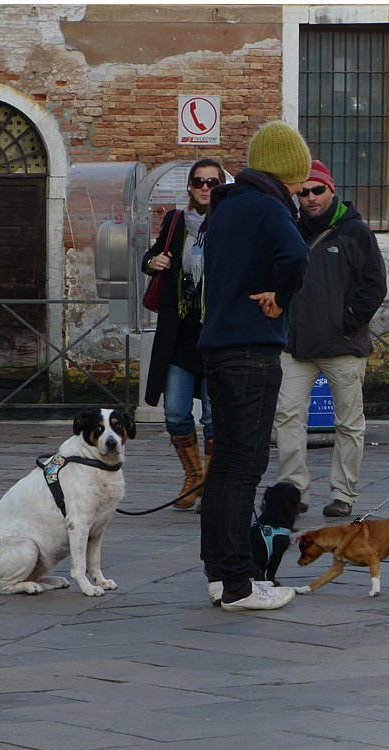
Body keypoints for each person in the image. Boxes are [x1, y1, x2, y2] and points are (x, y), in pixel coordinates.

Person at [198, 121, 311, 612]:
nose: (299, 192)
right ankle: (242, 585)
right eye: (297, 182)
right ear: (284, 172)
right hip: (251, 351)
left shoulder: (224, 208)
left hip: (216, 349)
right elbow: (296, 256)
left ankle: (220, 575)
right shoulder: (269, 205)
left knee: (222, 467)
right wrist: (279, 298)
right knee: (245, 469)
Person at [274, 160, 387, 518]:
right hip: (296, 345)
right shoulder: (289, 229)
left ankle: (343, 493)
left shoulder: (356, 233)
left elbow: (374, 285)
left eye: (317, 190)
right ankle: (294, 490)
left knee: (349, 423)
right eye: (303, 191)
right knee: (287, 416)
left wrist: (347, 321)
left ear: (331, 190)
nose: (310, 197)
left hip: (343, 345)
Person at [142, 158, 225, 511]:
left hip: (216, 335)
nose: (205, 187)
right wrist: (152, 262)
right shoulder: (177, 222)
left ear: (222, 186)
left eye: (212, 182)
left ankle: (211, 483)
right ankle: (192, 476)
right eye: (199, 182)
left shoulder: (230, 223)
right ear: (189, 186)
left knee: (211, 416)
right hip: (178, 336)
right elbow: (151, 254)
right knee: (175, 412)